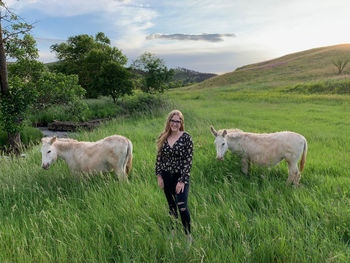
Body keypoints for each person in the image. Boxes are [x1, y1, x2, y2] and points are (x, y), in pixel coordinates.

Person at [155, 110, 193, 242]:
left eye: (177, 121)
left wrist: (182, 181)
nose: (174, 123)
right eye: (172, 120)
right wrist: (159, 176)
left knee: (182, 205)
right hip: (166, 176)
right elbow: (159, 159)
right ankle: (173, 230)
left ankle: (188, 236)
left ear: (181, 123)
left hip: (180, 177)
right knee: (171, 205)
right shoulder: (163, 136)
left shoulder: (186, 138)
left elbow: (188, 161)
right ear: (169, 121)